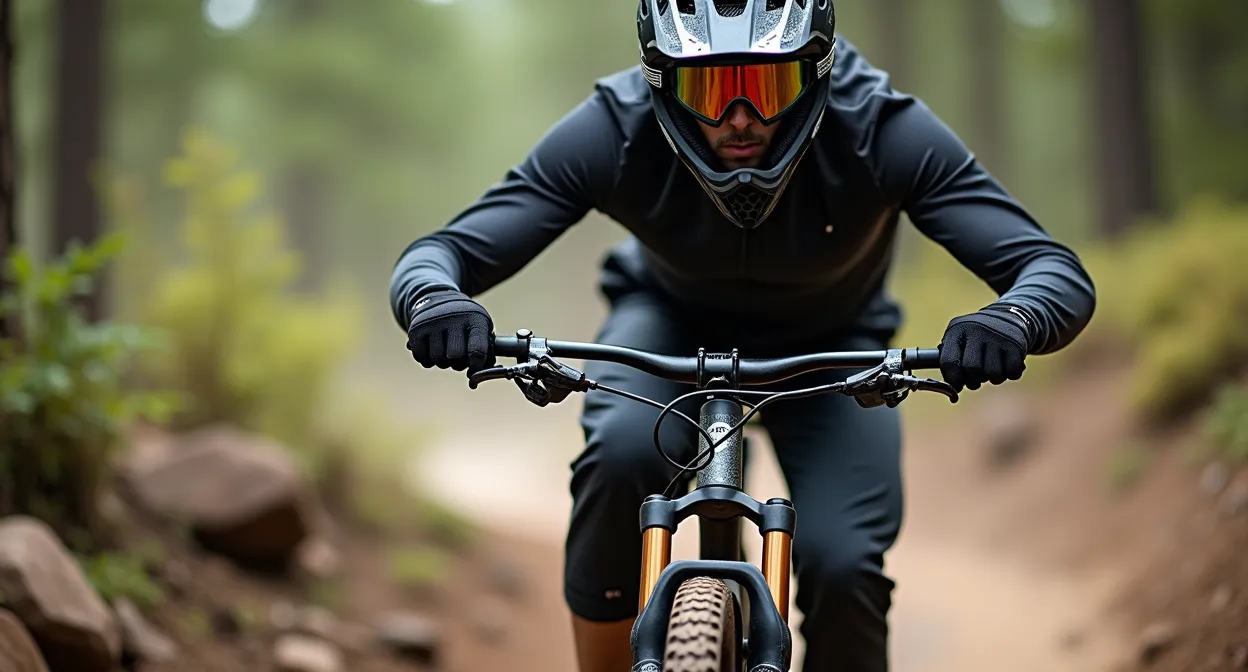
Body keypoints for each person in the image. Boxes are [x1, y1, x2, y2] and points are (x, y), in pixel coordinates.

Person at [388, 1, 1095, 670]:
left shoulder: (879, 127)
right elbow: (442, 253)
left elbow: (1050, 270)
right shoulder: (618, 126)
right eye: (709, 91)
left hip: (835, 351)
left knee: (844, 563)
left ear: (817, 69)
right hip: (664, 325)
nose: (740, 118)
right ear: (661, 83)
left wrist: (1011, 318)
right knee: (620, 455)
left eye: (767, 83)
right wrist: (436, 301)